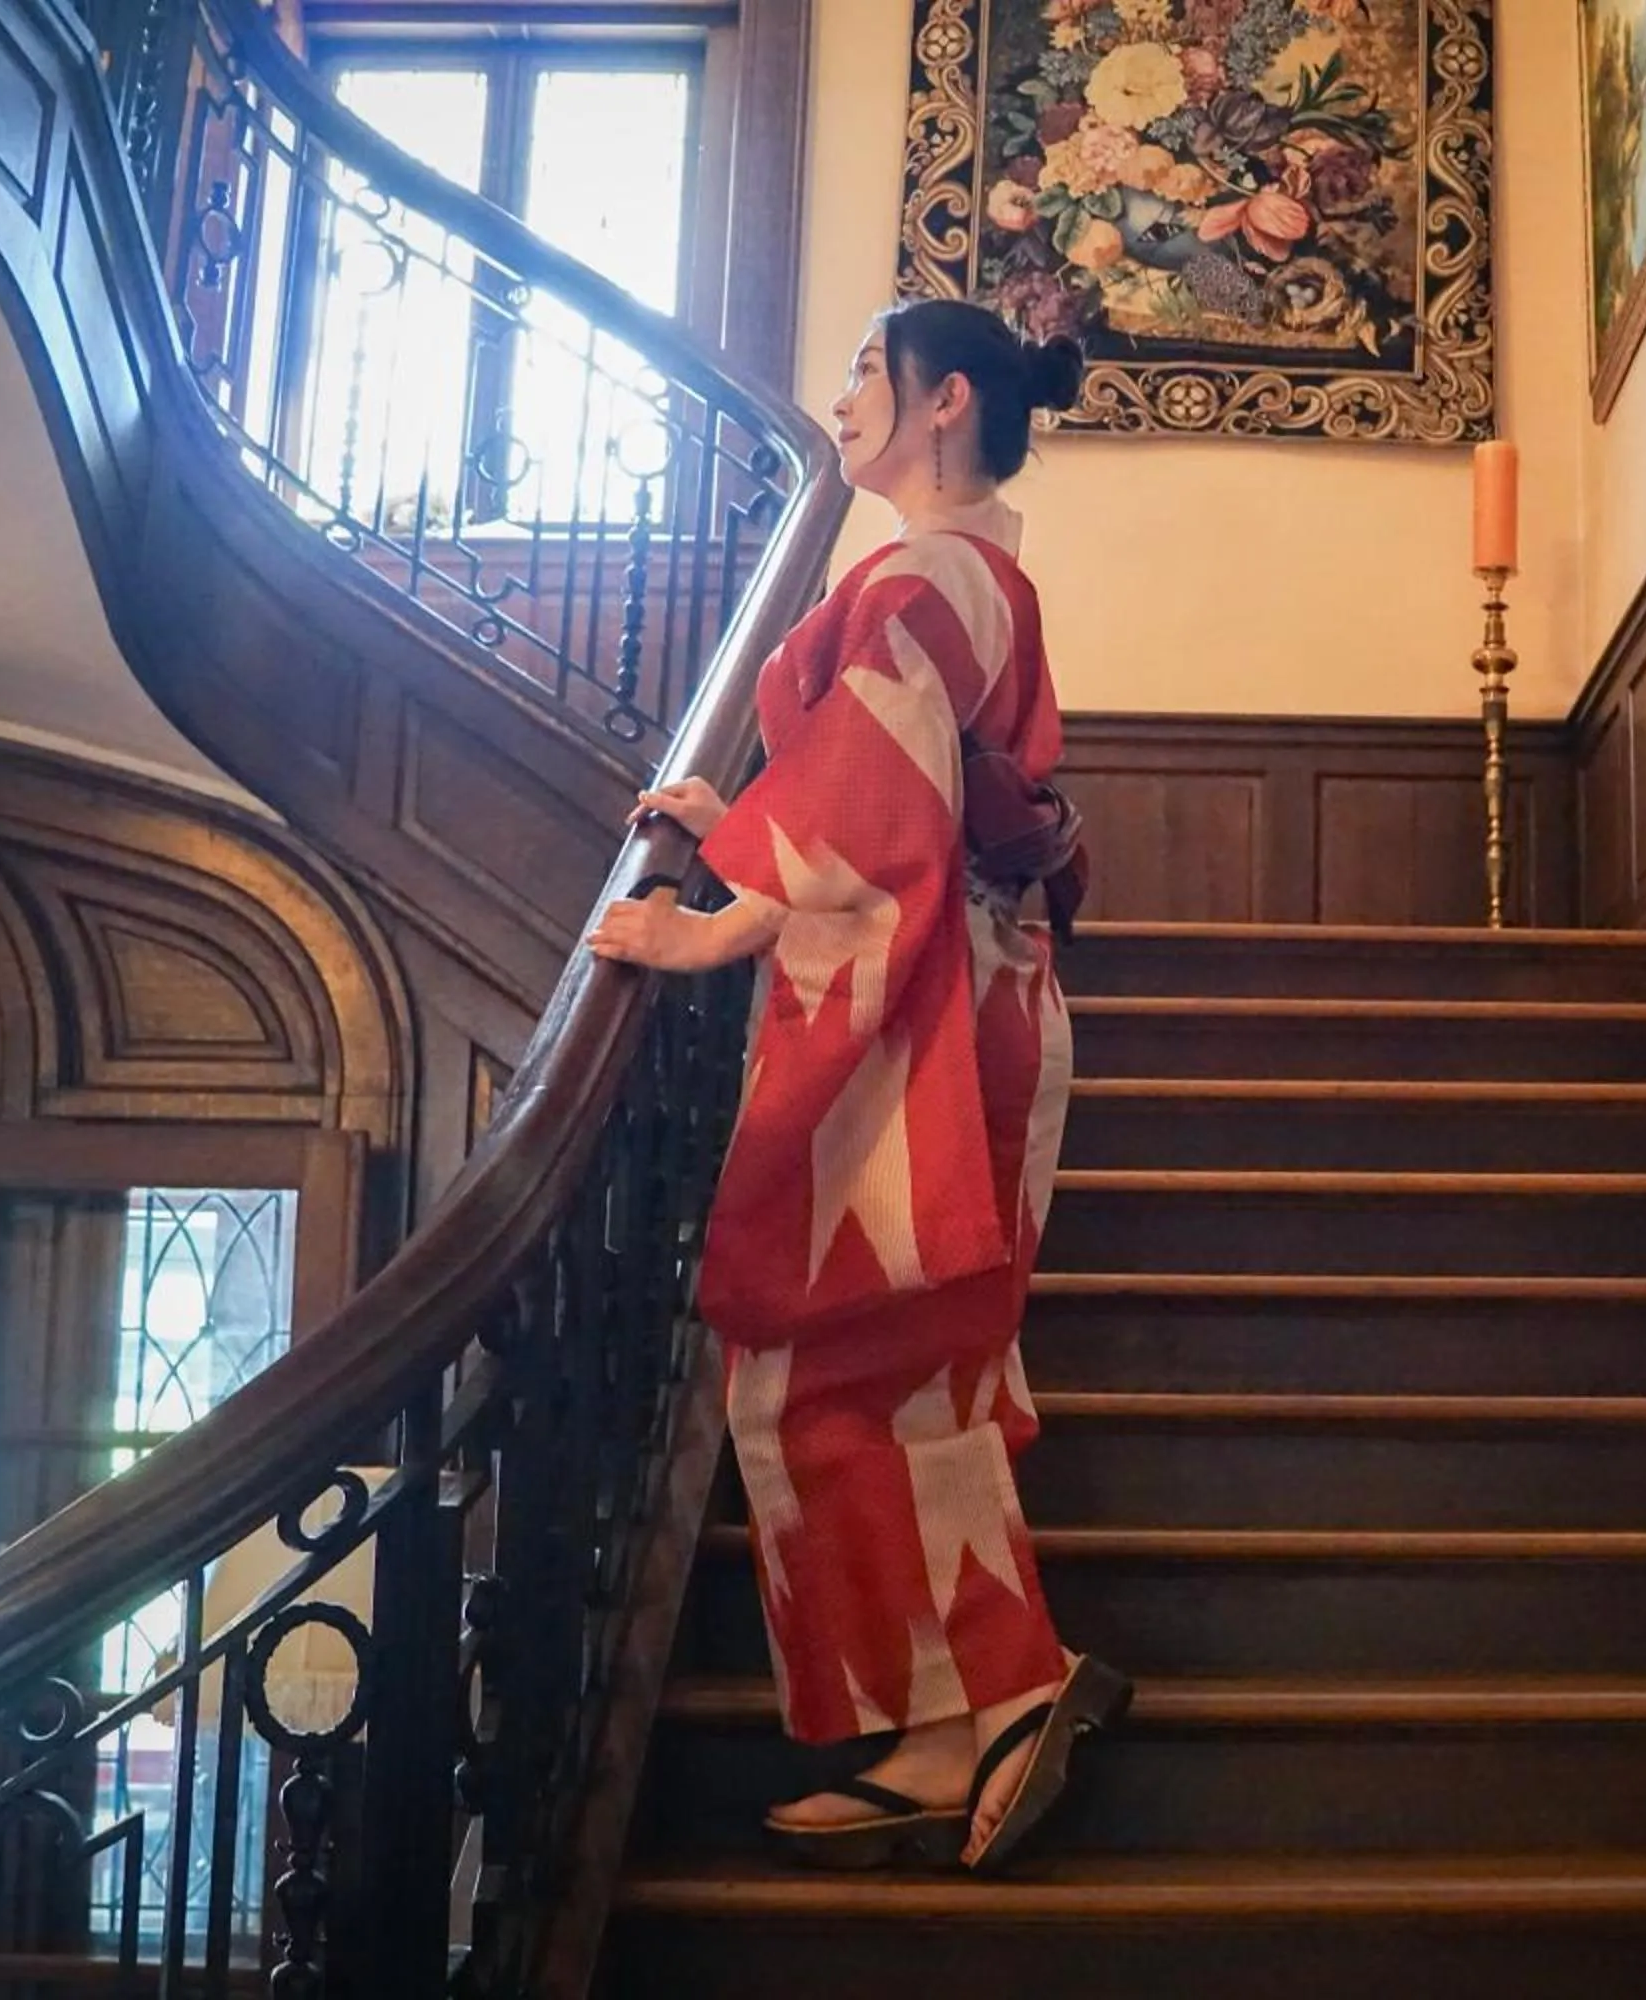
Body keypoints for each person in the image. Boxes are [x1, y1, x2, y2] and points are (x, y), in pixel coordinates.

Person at [586, 299, 1122, 1874]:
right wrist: (735, 808)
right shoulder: (960, 575)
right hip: (966, 989)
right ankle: (944, 1723)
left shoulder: (922, 574)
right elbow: (880, 781)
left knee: (856, 1375)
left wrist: (710, 929)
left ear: (944, 402)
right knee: (877, 1378)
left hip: (939, 1004)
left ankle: (1017, 1680)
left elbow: (882, 812)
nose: (835, 400)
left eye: (860, 377)